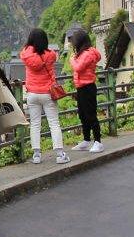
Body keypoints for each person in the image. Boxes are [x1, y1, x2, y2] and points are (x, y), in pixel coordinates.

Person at [20, 28, 69, 164]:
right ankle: (59, 154)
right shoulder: (50, 55)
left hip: (32, 93)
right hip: (48, 93)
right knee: (54, 123)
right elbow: (52, 55)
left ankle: (36, 155)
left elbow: (25, 52)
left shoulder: (26, 54)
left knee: (35, 124)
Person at [69, 30, 104, 153]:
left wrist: (72, 59)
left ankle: (98, 141)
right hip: (81, 87)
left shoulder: (87, 54)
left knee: (91, 115)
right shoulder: (83, 53)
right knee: (83, 115)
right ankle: (86, 139)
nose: (73, 43)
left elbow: (77, 68)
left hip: (87, 87)